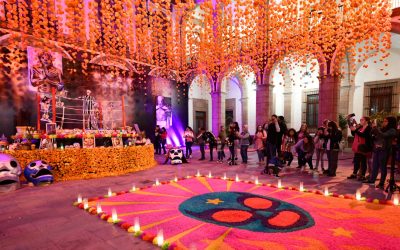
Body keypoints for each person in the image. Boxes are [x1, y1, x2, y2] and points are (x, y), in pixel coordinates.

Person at [365, 116, 398, 189]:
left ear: (390, 122)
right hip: (377, 149)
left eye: (386, 121)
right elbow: (373, 135)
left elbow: (383, 135)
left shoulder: (392, 130)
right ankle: (372, 180)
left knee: (382, 166)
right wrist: (373, 128)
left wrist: (376, 128)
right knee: (375, 165)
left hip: (384, 150)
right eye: (384, 121)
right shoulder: (382, 129)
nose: (384, 122)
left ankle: (381, 183)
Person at [347, 116, 372, 181]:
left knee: (363, 161)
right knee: (356, 160)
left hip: (363, 146)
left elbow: (364, 135)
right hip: (357, 145)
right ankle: (354, 173)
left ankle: (363, 175)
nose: (361, 121)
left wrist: (355, 130)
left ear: (366, 121)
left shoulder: (368, 128)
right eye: (360, 120)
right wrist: (352, 129)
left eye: (362, 120)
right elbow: (354, 134)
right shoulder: (360, 127)